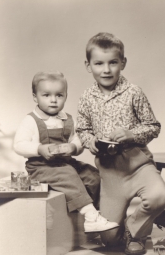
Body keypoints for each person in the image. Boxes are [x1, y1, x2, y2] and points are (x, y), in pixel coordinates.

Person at [76, 33, 165, 255]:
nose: (106, 69)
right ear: (88, 65)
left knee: (159, 197)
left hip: (138, 165)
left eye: (113, 62)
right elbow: (82, 129)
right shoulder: (86, 97)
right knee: (109, 238)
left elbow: (153, 126)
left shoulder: (134, 92)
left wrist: (131, 134)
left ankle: (137, 232)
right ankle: (146, 217)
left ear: (123, 62)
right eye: (99, 63)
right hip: (111, 173)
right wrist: (90, 141)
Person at [13, 71, 119, 233]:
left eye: (59, 95)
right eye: (46, 95)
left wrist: (73, 147)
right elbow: (19, 145)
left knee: (92, 175)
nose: (53, 100)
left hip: (66, 163)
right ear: (35, 97)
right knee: (68, 175)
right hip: (41, 167)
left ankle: (91, 214)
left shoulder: (67, 119)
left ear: (66, 96)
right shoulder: (31, 121)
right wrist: (39, 149)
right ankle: (90, 217)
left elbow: (78, 139)